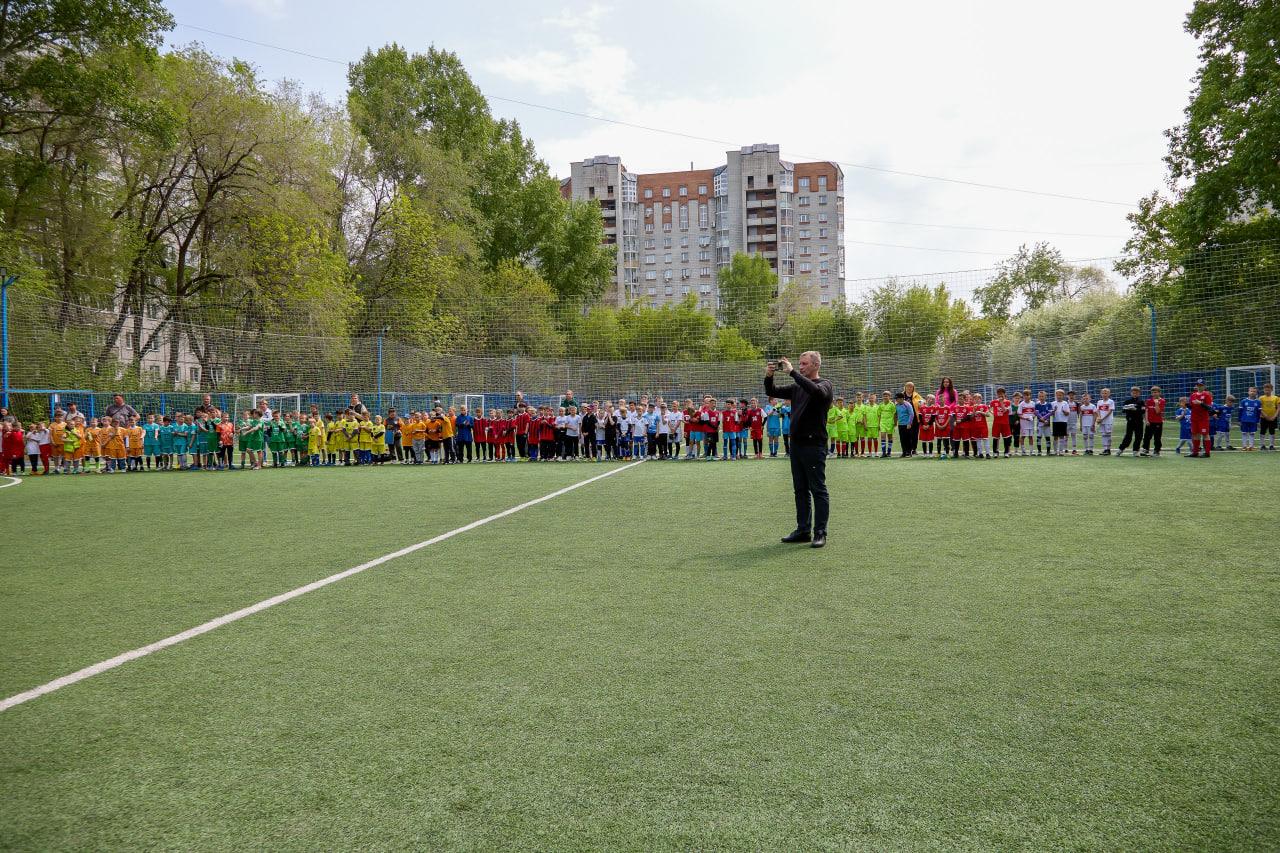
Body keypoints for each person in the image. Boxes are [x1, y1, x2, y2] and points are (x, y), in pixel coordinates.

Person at [766, 353, 833, 548]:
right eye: (799, 364)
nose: (800, 366)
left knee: (818, 489)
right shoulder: (797, 387)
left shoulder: (825, 385)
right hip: (796, 445)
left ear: (816, 365)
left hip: (814, 444)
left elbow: (816, 392)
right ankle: (803, 530)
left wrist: (793, 373)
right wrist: (769, 375)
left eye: (804, 364)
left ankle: (820, 532)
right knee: (800, 489)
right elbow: (771, 390)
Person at [1188, 379, 1214, 458]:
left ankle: (1207, 453)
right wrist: (1187, 405)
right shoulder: (1193, 395)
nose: (1199, 386)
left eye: (1201, 385)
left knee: (1205, 434)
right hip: (1194, 418)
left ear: (1204, 386)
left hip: (1203, 419)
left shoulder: (1207, 395)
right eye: (1198, 385)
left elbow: (1209, 408)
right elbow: (1191, 407)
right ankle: (1195, 452)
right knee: (1195, 434)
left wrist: (1200, 403)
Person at [1116, 386, 1144, 457]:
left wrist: (1136, 409)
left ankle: (1135, 450)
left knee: (1139, 436)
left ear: (1139, 393)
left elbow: (1143, 411)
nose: (1135, 394)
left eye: (1136, 393)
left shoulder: (1141, 402)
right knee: (1128, 436)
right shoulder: (1127, 401)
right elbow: (1123, 410)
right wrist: (1128, 408)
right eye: (1133, 393)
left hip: (1139, 422)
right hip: (1130, 421)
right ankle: (1121, 449)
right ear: (1131, 393)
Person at [1141, 386, 1165, 457]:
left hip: (1158, 422)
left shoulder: (1162, 401)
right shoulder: (1149, 401)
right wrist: (1146, 420)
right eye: (1153, 392)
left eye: (1156, 392)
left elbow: (1158, 411)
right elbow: (1146, 411)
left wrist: (1156, 403)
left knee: (1157, 437)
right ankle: (1145, 449)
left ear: (1159, 393)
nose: (1154, 394)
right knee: (1147, 436)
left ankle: (1157, 450)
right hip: (1150, 422)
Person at [990, 387, 1013, 457]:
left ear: (1004, 394)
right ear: (997, 394)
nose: (1000, 395)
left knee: (1006, 438)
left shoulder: (1008, 402)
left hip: (1005, 423)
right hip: (996, 423)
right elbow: (988, 409)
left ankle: (1006, 452)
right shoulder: (993, 402)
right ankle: (995, 452)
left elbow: (1005, 410)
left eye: (1001, 393)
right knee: (995, 437)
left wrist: (1001, 402)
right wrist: (992, 413)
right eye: (999, 393)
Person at [1238, 386, 1262, 451]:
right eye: (1251, 391)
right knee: (1244, 433)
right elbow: (1240, 411)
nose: (1252, 392)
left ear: (1256, 393)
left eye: (1254, 391)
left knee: (1252, 433)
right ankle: (1244, 446)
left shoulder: (1258, 402)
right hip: (1244, 420)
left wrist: (1258, 421)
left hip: (1253, 421)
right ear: (1248, 392)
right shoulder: (1243, 401)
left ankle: (1251, 446)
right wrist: (1239, 420)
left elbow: (1259, 413)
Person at [1050, 389, 1072, 456]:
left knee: (1062, 436)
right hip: (1055, 421)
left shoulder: (1065, 403)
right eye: (1057, 395)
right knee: (1055, 437)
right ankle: (1055, 451)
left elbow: (1068, 413)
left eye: (1060, 395)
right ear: (1055, 395)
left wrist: (1064, 411)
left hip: (1063, 421)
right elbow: (1051, 414)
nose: (1059, 396)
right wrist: (1054, 411)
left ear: (1063, 396)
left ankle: (1061, 451)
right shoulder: (1053, 403)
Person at [1096, 388, 1116, 455]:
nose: (1104, 394)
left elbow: (1110, 411)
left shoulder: (1111, 401)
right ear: (1101, 394)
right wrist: (1099, 417)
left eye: (1106, 393)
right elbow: (1098, 410)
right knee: (1103, 435)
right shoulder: (1099, 402)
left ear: (1109, 394)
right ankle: (1105, 449)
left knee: (1108, 434)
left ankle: (1108, 449)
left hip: (1108, 421)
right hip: (1101, 421)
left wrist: (1102, 418)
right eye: (1103, 393)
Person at [1259, 382, 1279, 451]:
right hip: (1263, 417)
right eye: (1265, 390)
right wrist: (1265, 415)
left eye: (1268, 390)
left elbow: (1278, 408)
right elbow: (1260, 408)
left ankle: (1271, 445)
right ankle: (1262, 445)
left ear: (1272, 390)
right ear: (1263, 390)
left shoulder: (1276, 398)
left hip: (1273, 418)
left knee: (1272, 431)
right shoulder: (1261, 398)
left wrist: (1275, 416)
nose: (1267, 391)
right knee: (1262, 431)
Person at [895, 393, 914, 458]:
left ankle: (909, 452)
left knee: (908, 439)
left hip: (907, 424)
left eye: (897, 399)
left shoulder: (907, 404)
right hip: (900, 424)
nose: (896, 400)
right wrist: (896, 422)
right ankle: (904, 452)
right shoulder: (896, 405)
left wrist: (909, 423)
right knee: (902, 439)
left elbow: (911, 414)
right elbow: (896, 414)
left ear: (901, 398)